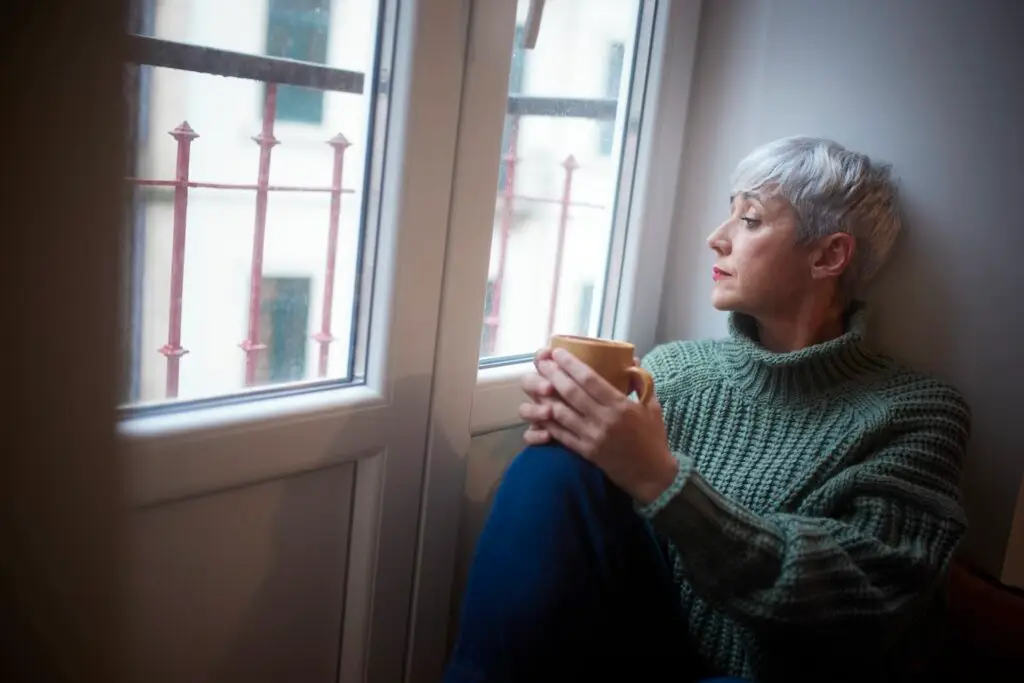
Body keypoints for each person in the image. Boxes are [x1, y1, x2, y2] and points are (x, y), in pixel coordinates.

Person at [443, 137, 970, 682]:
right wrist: (574, 422)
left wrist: (661, 480)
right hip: (651, 646)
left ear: (829, 255)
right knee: (554, 465)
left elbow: (864, 603)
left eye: (750, 219)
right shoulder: (675, 372)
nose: (716, 239)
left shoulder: (917, 413)